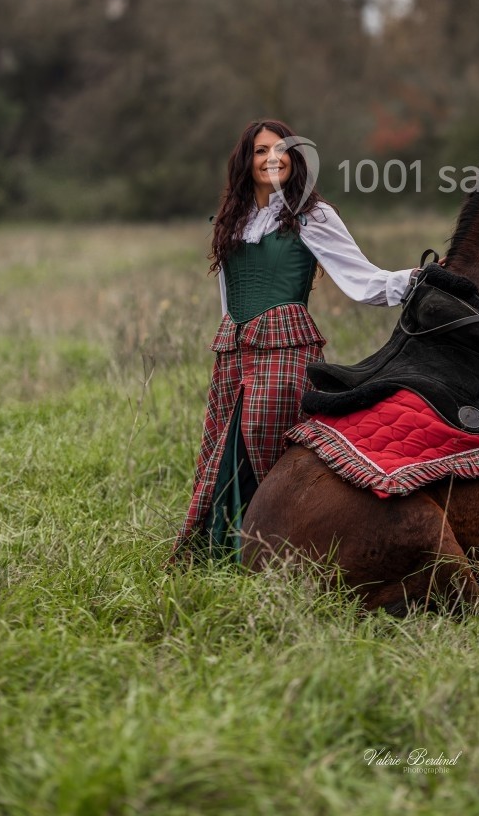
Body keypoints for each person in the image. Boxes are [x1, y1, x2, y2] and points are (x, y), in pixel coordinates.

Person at [173, 118, 417, 560]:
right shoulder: (232, 220)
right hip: (234, 349)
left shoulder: (311, 215)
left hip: (285, 348)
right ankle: (219, 551)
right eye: (261, 151)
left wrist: (419, 281)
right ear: (246, 162)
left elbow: (363, 280)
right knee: (221, 448)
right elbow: (228, 297)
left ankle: (277, 550)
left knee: (267, 443)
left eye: (280, 149)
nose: (272, 158)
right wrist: (231, 333)